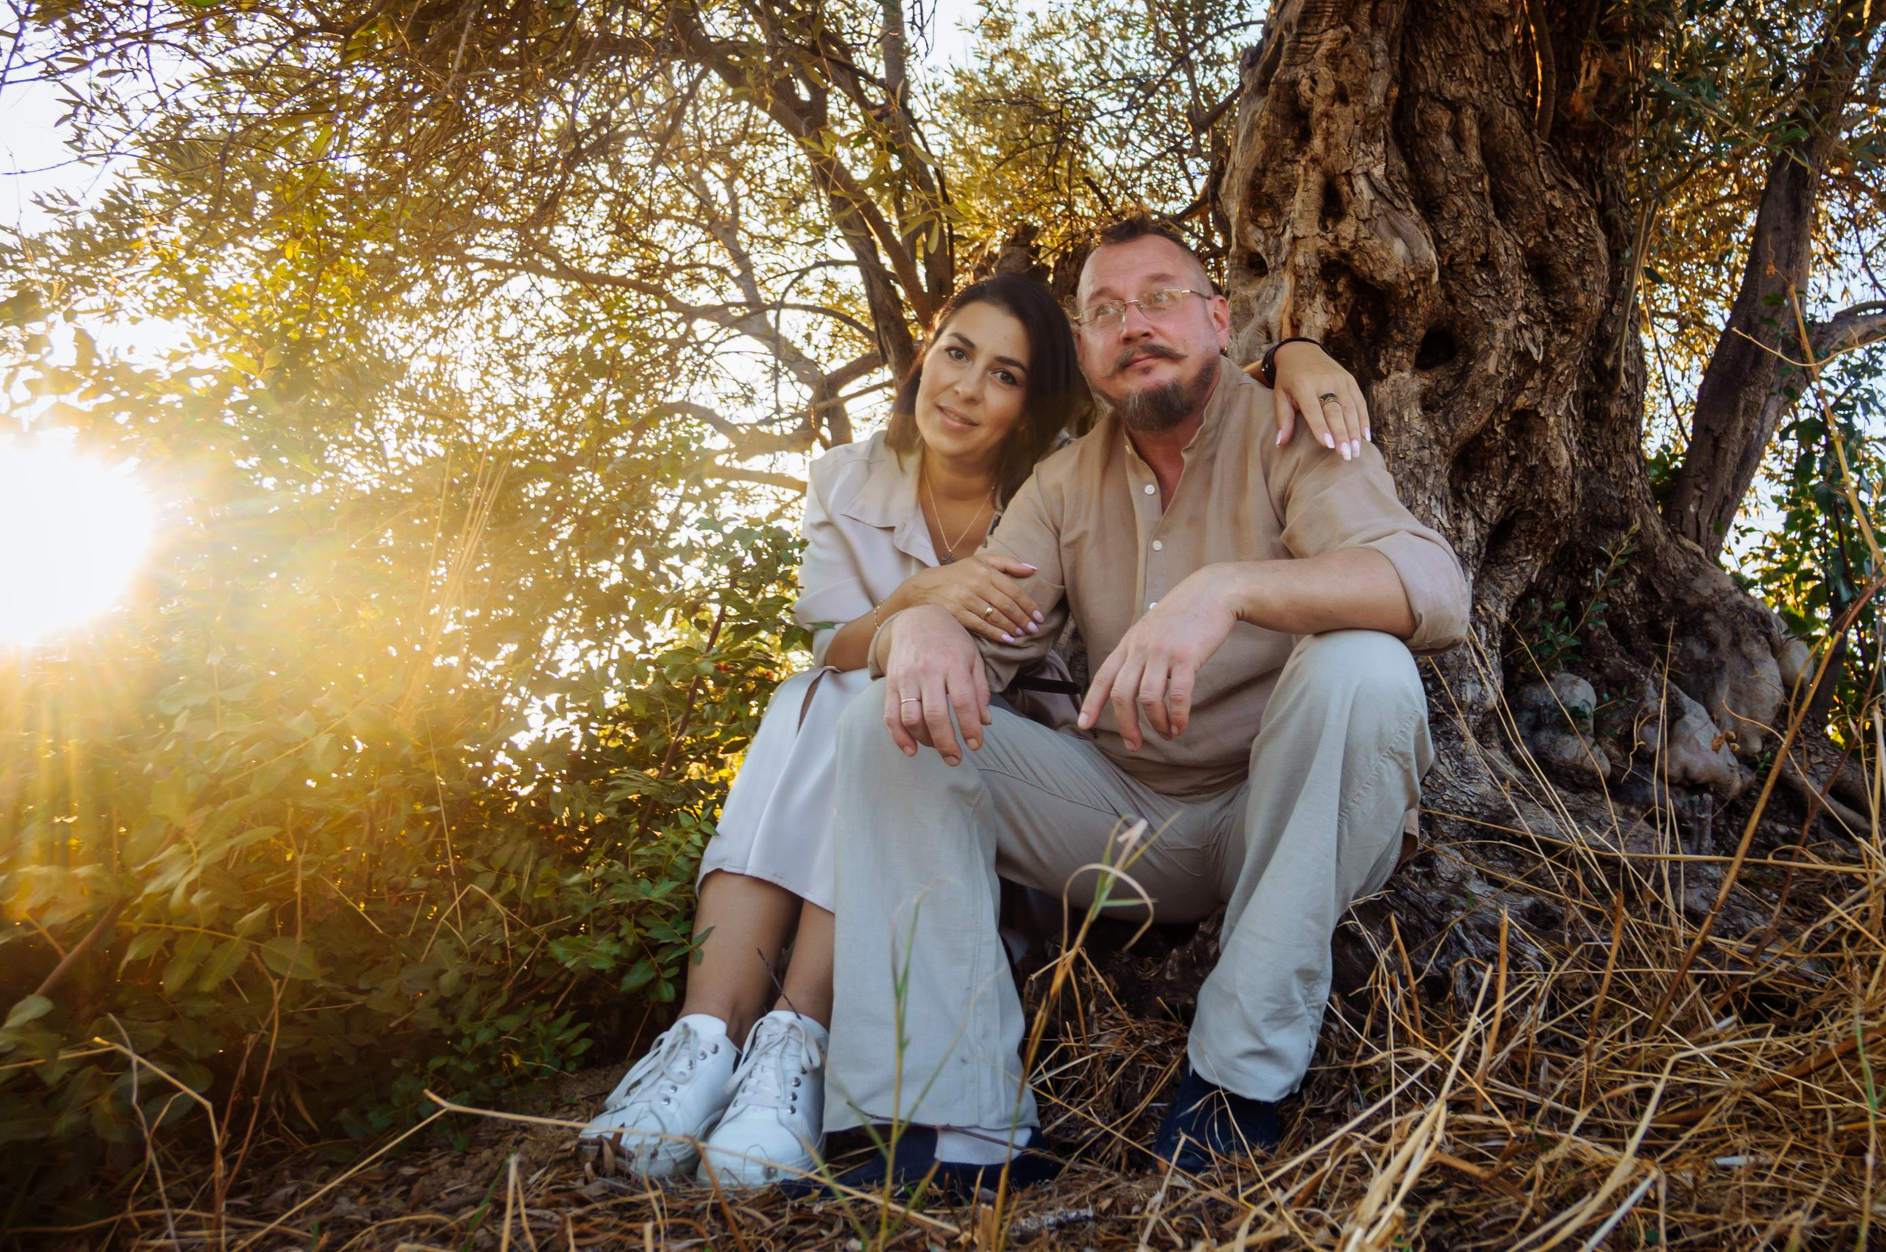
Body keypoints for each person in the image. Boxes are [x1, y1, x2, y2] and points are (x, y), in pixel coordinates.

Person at [579, 268, 1375, 1188]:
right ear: (924, 357)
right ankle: (708, 1038)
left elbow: (1182, 380)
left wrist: (1292, 353)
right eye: (956, 353)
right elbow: (835, 641)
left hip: (1014, 764)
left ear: (1034, 401)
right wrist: (917, 605)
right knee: (827, 696)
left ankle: (796, 1037)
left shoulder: (1061, 479)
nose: (965, 385)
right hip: (909, 740)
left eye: (1003, 374)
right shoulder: (848, 477)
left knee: (878, 708)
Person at [823, 217, 1471, 1195]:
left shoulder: (1289, 427)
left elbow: (1433, 588)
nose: (1135, 325)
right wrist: (921, 627)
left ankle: (1233, 1087)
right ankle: (953, 1122)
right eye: (1105, 311)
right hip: (1128, 827)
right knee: (885, 721)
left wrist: (1227, 591)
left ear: (1218, 319)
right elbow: (980, 631)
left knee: (1364, 671)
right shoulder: (1059, 485)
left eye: (1160, 297)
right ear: (1083, 350)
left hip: (1289, 812)